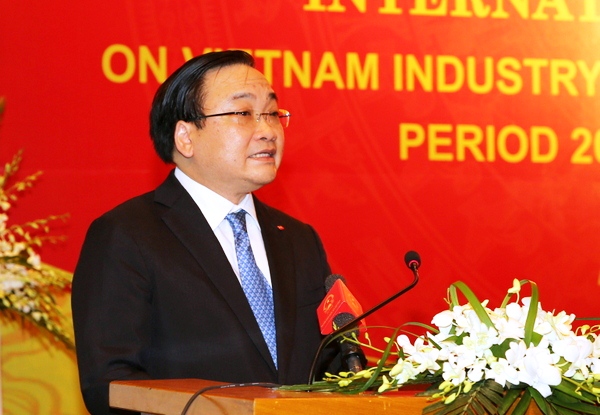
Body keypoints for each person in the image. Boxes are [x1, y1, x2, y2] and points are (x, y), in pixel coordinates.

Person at [71, 50, 334, 415]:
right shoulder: (126, 235)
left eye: (272, 113)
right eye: (243, 113)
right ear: (186, 137)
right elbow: (109, 384)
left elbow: (335, 368)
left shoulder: (298, 238)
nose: (268, 130)